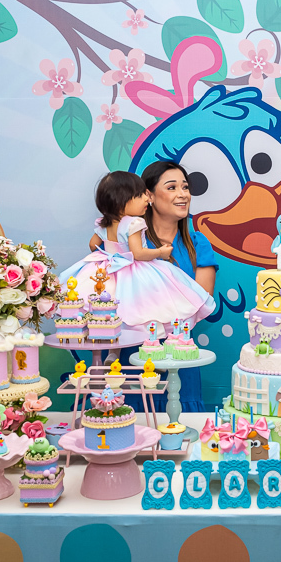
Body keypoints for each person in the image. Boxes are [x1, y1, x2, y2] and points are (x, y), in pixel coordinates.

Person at [59, 171, 215, 328]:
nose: (146, 199)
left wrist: (108, 256)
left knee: (108, 302)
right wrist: (160, 252)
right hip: (131, 270)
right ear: (122, 201)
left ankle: (115, 337)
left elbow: (93, 245)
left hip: (109, 267)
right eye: (140, 195)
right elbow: (138, 253)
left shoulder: (105, 223)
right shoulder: (133, 223)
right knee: (140, 303)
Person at [139, 160, 220, 411]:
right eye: (172, 187)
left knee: (183, 424)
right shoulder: (132, 245)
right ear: (149, 196)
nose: (183, 194)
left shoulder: (198, 244)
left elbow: (200, 302)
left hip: (181, 355)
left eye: (185, 187)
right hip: (137, 357)